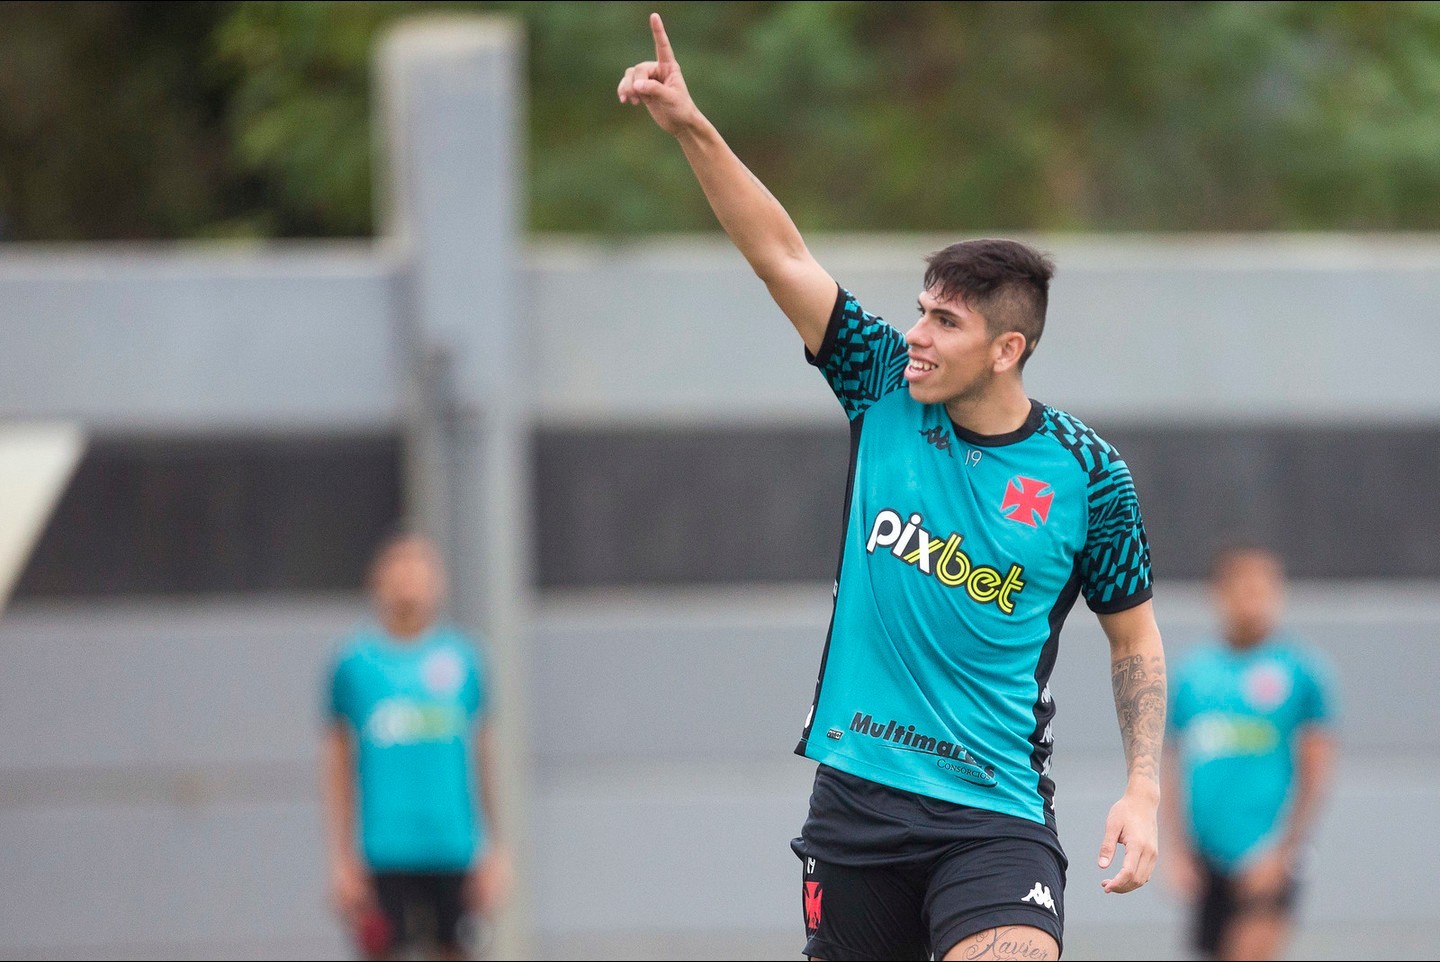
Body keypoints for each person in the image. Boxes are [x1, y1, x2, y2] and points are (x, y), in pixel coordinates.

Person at [619, 14, 1167, 961]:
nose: (916, 333)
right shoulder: (879, 384)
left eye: (944, 322)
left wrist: (1144, 788)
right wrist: (692, 127)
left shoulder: (1090, 475)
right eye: (919, 311)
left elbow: (1135, 636)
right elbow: (782, 255)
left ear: (1007, 348)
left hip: (995, 818)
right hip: (857, 806)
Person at [321, 531, 511, 961]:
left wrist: (495, 849)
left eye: (419, 567)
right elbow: (337, 763)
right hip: (383, 851)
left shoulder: (464, 660)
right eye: (398, 566)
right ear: (377, 580)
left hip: (454, 847)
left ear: (437, 582)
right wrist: (341, 860)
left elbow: (483, 757)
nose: (408, 578)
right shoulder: (354, 664)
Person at [1162, 544, 1338, 961]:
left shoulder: (1300, 672)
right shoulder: (1193, 674)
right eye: (1243, 591)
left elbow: (1316, 771)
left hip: (1266, 859)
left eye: (1263, 591)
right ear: (1218, 596)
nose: (1253, 602)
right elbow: (1172, 765)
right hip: (1206, 859)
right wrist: (1177, 850)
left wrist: (1284, 850)